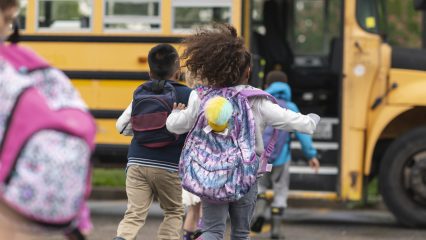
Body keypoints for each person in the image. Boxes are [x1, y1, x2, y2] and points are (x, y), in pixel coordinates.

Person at [166, 24, 319, 240]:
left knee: (212, 231)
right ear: (248, 71)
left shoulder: (201, 97)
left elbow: (176, 126)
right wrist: (311, 122)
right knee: (241, 233)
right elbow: (291, 120)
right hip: (246, 177)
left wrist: (172, 115)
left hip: (212, 176)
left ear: (211, 69)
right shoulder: (256, 100)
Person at [114, 44, 192, 240]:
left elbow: (121, 126)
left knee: (134, 213)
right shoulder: (188, 95)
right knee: (174, 211)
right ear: (178, 70)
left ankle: (121, 238)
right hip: (169, 165)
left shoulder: (141, 93)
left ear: (150, 71)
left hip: (136, 162)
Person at [250, 70, 320, 239]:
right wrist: (311, 155)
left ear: (267, 85)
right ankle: (275, 230)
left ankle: (259, 211)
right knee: (280, 192)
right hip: (282, 158)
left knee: (260, 188)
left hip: (260, 157)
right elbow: (303, 134)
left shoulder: (261, 104)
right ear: (286, 86)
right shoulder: (291, 106)